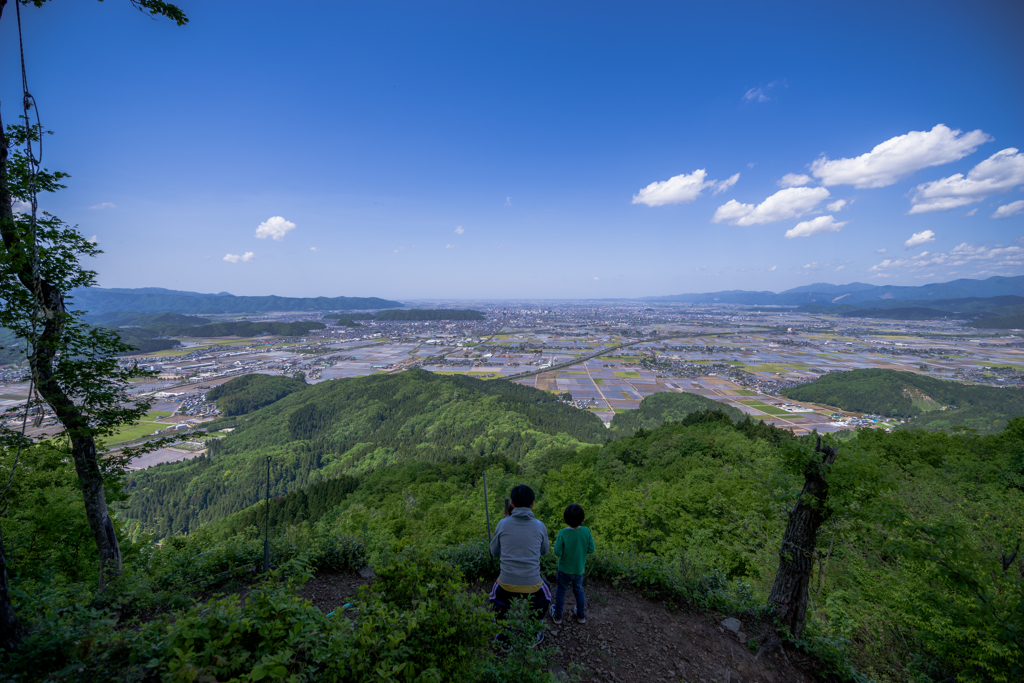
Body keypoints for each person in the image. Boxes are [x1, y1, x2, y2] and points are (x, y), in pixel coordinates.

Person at [489, 484, 551, 646]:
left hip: (506, 585)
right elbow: (544, 551)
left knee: (495, 597)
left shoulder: (502, 524)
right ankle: (532, 634)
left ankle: (504, 637)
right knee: (546, 597)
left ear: (512, 504)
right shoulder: (539, 525)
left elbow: (494, 552)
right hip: (533, 585)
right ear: (532, 504)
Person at [549, 503, 594, 625]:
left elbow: (557, 552)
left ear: (566, 519)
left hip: (564, 569)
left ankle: (558, 615)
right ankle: (581, 614)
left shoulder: (563, 533)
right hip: (578, 569)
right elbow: (591, 549)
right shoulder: (586, 531)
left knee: (561, 590)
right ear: (582, 518)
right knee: (578, 589)